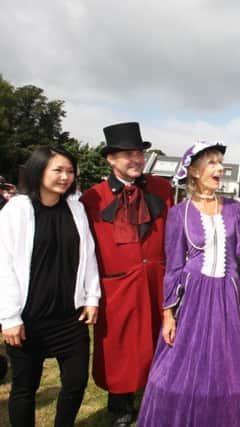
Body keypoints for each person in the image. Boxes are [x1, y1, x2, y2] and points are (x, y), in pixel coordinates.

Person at [137, 141, 240, 427]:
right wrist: (168, 314)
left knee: (233, 378)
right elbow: (173, 266)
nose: (219, 168)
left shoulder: (234, 208)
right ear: (194, 172)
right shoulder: (179, 213)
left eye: (220, 162)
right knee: (181, 376)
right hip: (194, 299)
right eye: (211, 162)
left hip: (227, 297)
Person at [80, 122, 173, 426]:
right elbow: (86, 249)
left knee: (157, 338)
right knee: (119, 345)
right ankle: (120, 404)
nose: (135, 159)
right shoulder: (93, 197)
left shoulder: (162, 188)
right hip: (117, 284)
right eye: (127, 154)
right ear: (111, 159)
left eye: (139, 153)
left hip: (157, 280)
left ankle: (155, 396)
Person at [0, 146, 101, 426]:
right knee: (24, 388)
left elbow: (88, 254)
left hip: (70, 316)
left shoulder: (76, 208)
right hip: (28, 317)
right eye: (57, 170)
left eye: (70, 171)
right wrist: (9, 317)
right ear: (38, 170)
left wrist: (92, 297)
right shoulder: (17, 210)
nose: (65, 176)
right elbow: (3, 264)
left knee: (76, 381)